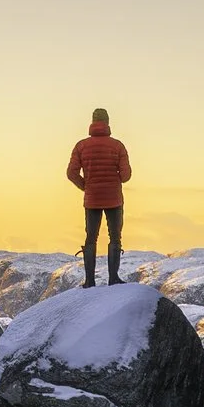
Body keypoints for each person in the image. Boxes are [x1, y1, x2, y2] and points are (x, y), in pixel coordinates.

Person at [67, 108, 132, 286]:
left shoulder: (81, 146)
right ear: (108, 122)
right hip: (114, 199)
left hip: (92, 198)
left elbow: (71, 173)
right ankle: (113, 278)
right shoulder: (118, 146)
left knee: (91, 238)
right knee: (115, 237)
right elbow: (126, 176)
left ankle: (89, 280)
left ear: (92, 122)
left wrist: (86, 186)